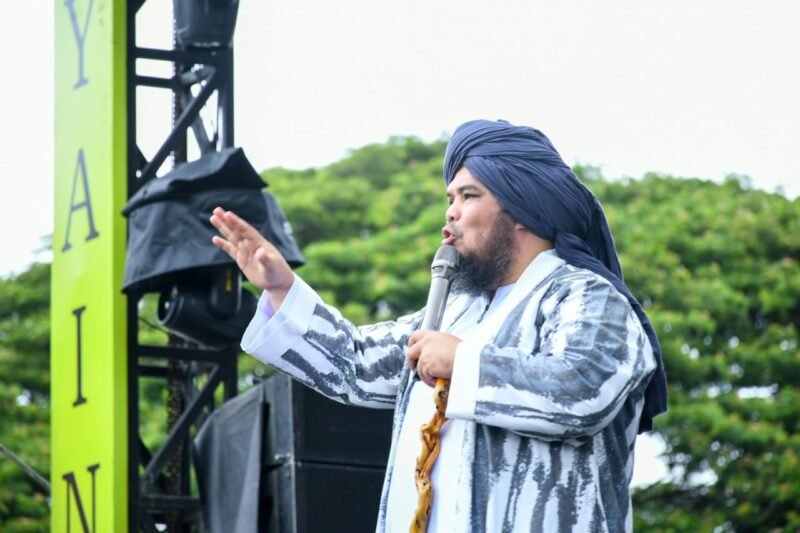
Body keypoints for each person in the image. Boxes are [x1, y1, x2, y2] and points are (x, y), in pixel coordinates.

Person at [209, 119, 668, 533]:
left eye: (469, 196)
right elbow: (356, 364)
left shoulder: (588, 296)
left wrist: (462, 362)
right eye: (450, 198)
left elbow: (581, 390)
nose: (450, 212)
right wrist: (281, 289)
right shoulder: (455, 312)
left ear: (525, 210)